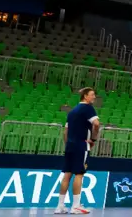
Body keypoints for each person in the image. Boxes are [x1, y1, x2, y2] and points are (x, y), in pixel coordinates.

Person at [54, 87, 100, 215]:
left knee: (67, 175)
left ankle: (60, 206)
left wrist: (68, 144)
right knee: (79, 174)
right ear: (85, 96)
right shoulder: (88, 108)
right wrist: (94, 139)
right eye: (92, 95)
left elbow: (65, 131)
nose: (94, 97)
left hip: (70, 145)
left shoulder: (72, 111)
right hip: (81, 145)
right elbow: (96, 124)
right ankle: (75, 206)